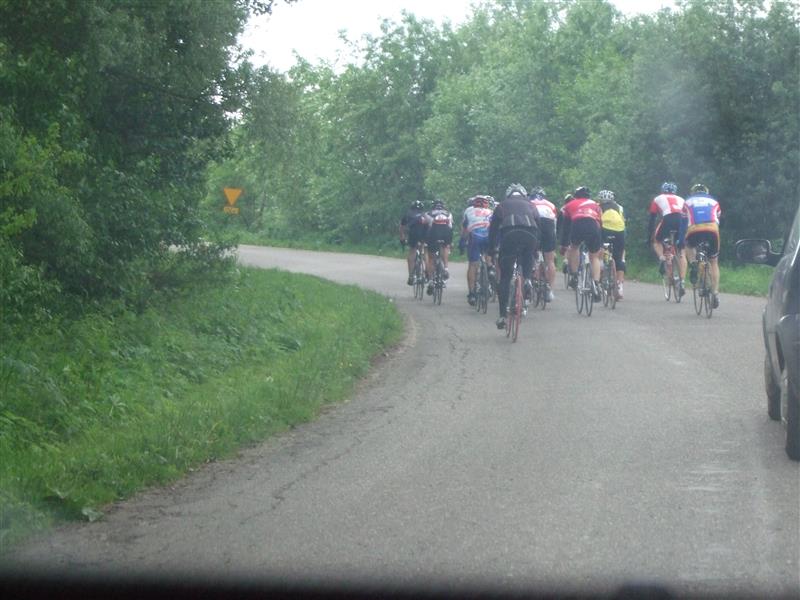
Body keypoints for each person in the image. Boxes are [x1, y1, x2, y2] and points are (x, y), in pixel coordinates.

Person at [488, 184, 540, 329]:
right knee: (528, 254)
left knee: (505, 277)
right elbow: (539, 226)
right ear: (523, 195)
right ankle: (527, 280)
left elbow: (493, 231)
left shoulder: (501, 205)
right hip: (530, 234)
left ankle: (502, 316)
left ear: (508, 195)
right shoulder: (531, 205)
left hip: (509, 235)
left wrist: (491, 250)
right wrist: (536, 249)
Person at [559, 186, 603, 301]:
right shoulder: (596, 205)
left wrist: (563, 245)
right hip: (593, 226)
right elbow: (600, 223)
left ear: (576, 196)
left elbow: (566, 227)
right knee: (594, 257)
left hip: (577, 224)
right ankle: (596, 284)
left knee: (574, 248)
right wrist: (600, 242)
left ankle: (574, 276)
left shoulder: (569, 205)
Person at [684, 183, 723, 308]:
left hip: (694, 230)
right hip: (712, 230)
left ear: (692, 192)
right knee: (714, 261)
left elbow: (683, 220)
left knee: (687, 245)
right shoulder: (714, 201)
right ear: (706, 192)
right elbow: (718, 217)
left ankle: (693, 264)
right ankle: (715, 293)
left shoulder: (687, 201)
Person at [647, 182, 687, 296]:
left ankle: (663, 258)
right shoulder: (681, 199)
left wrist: (649, 236)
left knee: (656, 242)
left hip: (668, 219)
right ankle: (682, 281)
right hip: (681, 221)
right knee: (682, 252)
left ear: (662, 191)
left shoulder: (657, 198)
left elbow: (652, 219)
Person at [460, 195, 494, 305]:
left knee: (473, 265)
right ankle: (490, 267)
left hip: (474, 237)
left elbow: (465, 228)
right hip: (488, 237)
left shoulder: (468, 211)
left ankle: (472, 294)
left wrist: (462, 241)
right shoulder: (491, 212)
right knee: (488, 252)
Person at [528, 187, 557, 301]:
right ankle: (550, 290)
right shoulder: (550, 204)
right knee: (550, 260)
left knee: (530, 254)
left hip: (534, 223)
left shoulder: (529, 202)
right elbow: (555, 223)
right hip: (548, 225)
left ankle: (532, 278)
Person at [597, 190, 626, 300]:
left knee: (601, 249)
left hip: (605, 230)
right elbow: (624, 221)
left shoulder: (597, 207)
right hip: (620, 231)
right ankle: (619, 286)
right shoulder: (620, 207)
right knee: (619, 258)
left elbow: (596, 221)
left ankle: (601, 269)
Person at [425, 199, 453, 295]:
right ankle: (446, 269)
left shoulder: (428, 213)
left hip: (434, 233)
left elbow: (426, 226)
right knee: (445, 247)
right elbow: (450, 226)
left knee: (431, 258)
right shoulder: (448, 213)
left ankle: (430, 281)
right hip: (446, 232)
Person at [399, 200, 430, 285]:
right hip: (424, 233)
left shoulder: (408, 214)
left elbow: (401, 228)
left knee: (412, 251)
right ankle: (427, 271)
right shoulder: (425, 215)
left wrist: (402, 238)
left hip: (414, 234)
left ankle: (411, 276)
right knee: (425, 252)